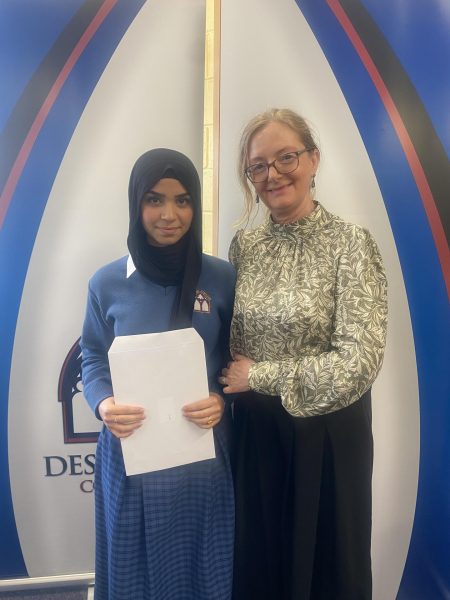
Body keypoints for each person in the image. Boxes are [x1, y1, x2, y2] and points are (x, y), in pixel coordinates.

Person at [220, 108, 388, 600]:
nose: (273, 174)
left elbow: (358, 362)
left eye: (286, 157)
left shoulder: (351, 244)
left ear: (313, 159)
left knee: (327, 570)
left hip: (327, 438)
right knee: (262, 567)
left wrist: (261, 377)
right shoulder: (245, 246)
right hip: (257, 438)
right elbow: (233, 344)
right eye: (258, 166)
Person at [81, 148, 235, 600]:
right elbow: (93, 356)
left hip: (201, 451)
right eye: (154, 199)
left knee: (205, 567)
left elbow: (236, 360)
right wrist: (103, 403)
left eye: (183, 200)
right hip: (132, 450)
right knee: (133, 573)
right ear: (136, 204)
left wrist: (222, 398)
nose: (169, 214)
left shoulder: (221, 277)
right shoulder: (106, 283)